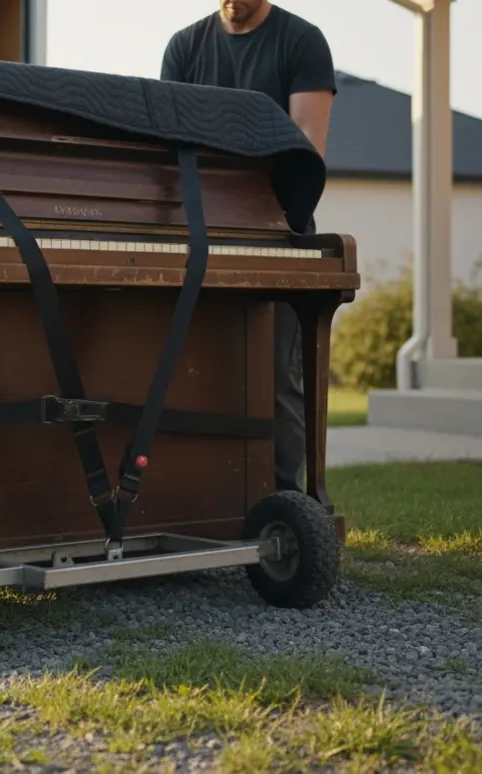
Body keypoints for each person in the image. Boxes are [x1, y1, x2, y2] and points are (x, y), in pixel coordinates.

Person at [160, 0, 336, 495]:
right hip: (200, 231)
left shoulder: (301, 42)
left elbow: (307, 152)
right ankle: (201, 501)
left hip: (279, 231)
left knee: (277, 379)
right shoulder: (184, 48)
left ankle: (287, 508)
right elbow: (170, 149)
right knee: (193, 369)